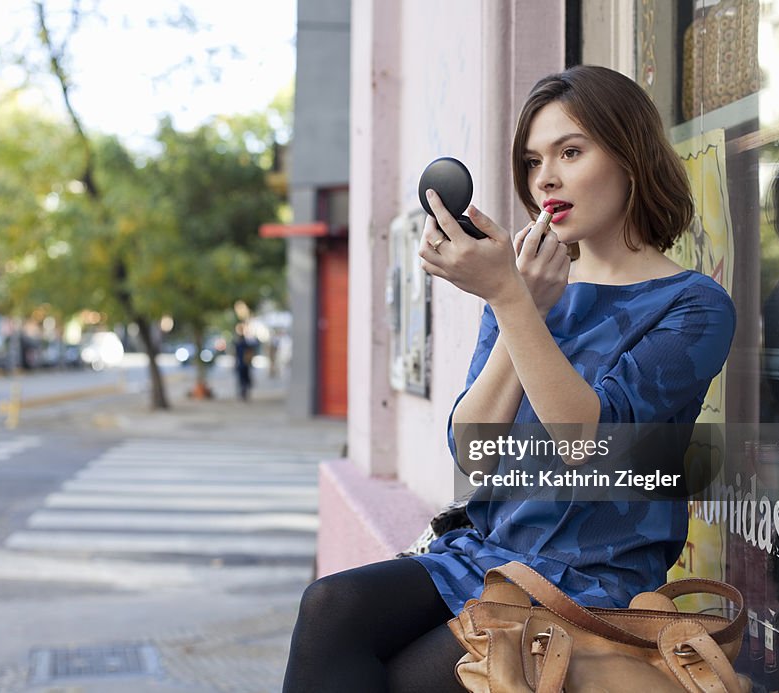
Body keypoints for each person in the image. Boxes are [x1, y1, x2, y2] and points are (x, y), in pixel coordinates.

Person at [282, 64, 736, 692]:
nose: (545, 177)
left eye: (570, 152)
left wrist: (515, 302)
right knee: (330, 607)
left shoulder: (693, 305)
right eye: (531, 161)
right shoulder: (530, 288)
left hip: (588, 582)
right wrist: (515, 302)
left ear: (631, 157)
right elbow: (474, 452)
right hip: (486, 558)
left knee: (407, 680)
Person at [232, 322, 254, 401]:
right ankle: (243, 394)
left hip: (243, 364)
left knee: (243, 380)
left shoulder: (242, 342)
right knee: (243, 380)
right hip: (243, 364)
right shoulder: (243, 342)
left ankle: (243, 394)